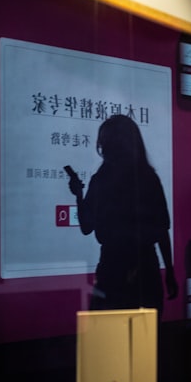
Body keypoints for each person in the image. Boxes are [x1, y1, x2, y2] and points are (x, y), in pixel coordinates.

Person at [68, 114, 178, 311]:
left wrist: (78, 195)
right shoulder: (148, 178)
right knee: (145, 338)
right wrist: (169, 272)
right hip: (145, 270)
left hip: (111, 268)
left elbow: (86, 227)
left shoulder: (101, 180)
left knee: (108, 336)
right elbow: (162, 231)